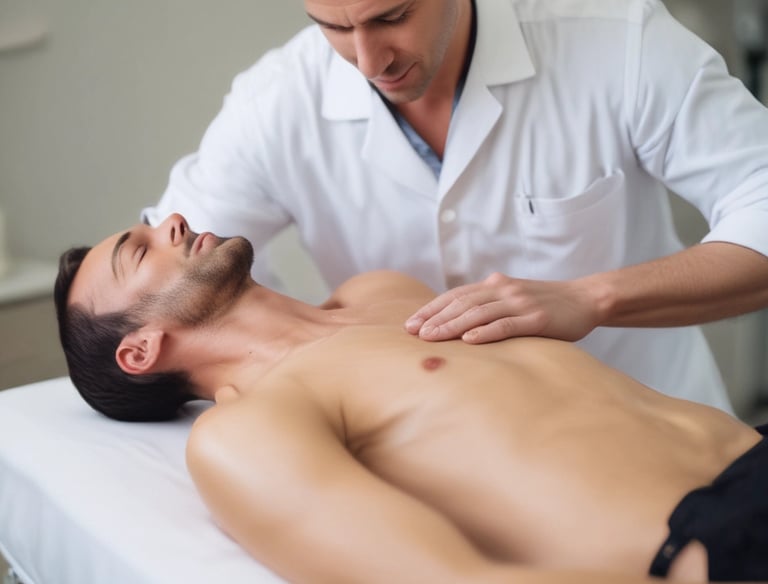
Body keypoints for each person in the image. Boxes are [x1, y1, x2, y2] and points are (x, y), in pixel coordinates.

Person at [55, 214, 768, 583]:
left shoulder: (385, 292)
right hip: (718, 545)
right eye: (140, 250)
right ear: (139, 351)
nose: (173, 221)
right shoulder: (247, 430)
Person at [141, 0, 768, 412]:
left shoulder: (618, 40)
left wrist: (591, 298)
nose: (369, 61)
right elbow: (157, 290)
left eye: (393, 16)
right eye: (334, 27)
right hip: (451, 468)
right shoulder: (274, 103)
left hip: (656, 427)